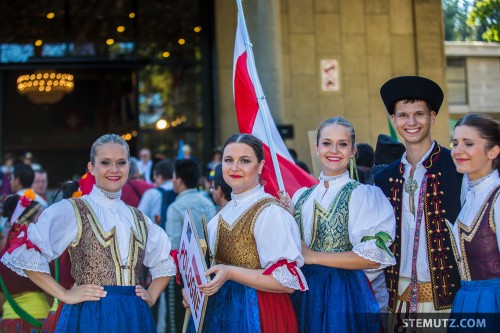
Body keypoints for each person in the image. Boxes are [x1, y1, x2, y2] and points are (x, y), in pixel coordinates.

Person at [1, 134, 177, 332]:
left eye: (121, 162)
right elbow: (24, 252)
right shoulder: (72, 210)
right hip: (90, 316)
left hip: (134, 316)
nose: (114, 169)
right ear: (91, 167)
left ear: (128, 167)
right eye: (105, 162)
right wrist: (65, 295)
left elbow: (164, 262)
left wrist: (151, 295)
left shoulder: (139, 218)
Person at [280, 117, 395, 332]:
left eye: (342, 144)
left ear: (353, 151)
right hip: (304, 294)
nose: (334, 150)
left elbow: (371, 259)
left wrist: (314, 256)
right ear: (316, 148)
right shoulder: (301, 197)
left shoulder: (363, 195)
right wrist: (290, 216)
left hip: (343, 294)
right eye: (327, 143)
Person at [185, 133, 308, 333]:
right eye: (228, 160)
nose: (234, 167)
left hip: (258, 313)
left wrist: (231, 272)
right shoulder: (223, 212)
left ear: (260, 166)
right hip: (220, 313)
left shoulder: (271, 213)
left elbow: (286, 283)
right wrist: (195, 289)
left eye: (244, 160)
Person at [375, 76, 463, 329]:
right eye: (403, 115)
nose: (411, 122)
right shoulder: (383, 178)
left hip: (447, 304)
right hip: (396, 303)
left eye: (419, 114)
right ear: (393, 120)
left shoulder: (457, 168)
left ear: (432, 117)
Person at [448, 114, 500, 318]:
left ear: (493, 151)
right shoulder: (469, 194)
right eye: (455, 143)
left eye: (468, 144)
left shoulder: (497, 197)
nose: (458, 151)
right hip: (466, 302)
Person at [165, 159, 215, 333]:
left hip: (183, 273)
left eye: (173, 177)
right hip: (209, 270)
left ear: (178, 180)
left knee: (179, 321)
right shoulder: (208, 203)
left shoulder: (175, 207)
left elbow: (173, 246)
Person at [0, 191, 46, 332]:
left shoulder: (4, 257)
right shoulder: (37, 254)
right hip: (39, 320)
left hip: (9, 324)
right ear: (28, 221)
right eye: (39, 216)